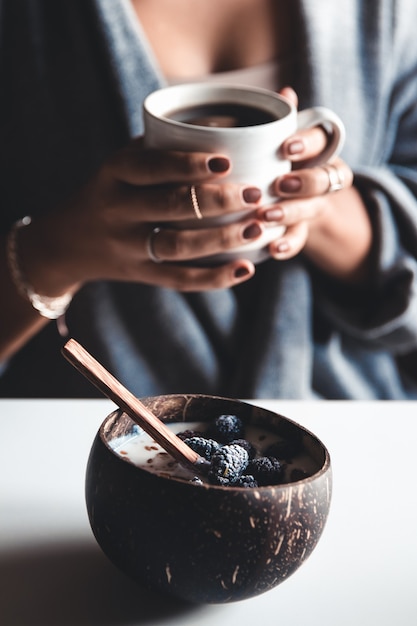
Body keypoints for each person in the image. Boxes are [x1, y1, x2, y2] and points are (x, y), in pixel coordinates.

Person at [1, 0, 417, 399]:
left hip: (351, 429)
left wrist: (314, 207)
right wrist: (52, 255)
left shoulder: (386, 10)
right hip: (88, 428)